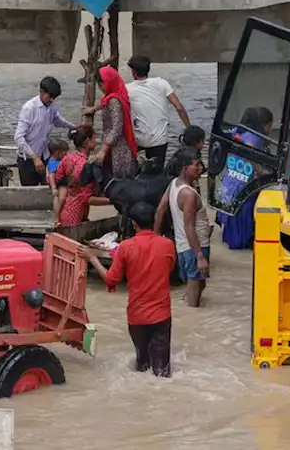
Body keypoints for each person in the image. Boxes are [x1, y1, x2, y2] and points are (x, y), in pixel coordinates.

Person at [85, 202, 176, 378]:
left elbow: (112, 279)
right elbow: (169, 269)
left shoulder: (125, 247)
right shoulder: (167, 244)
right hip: (161, 315)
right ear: (154, 220)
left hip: (137, 316)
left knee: (142, 366)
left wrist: (92, 258)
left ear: (134, 224)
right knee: (162, 372)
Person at [156, 148, 212, 306]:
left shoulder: (174, 184)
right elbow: (189, 227)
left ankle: (186, 303)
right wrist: (200, 256)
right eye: (196, 165)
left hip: (183, 247)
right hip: (194, 247)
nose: (201, 167)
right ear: (184, 168)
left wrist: (155, 237)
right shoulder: (189, 195)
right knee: (196, 290)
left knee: (199, 284)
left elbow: (160, 210)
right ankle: (192, 320)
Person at [125, 56, 190, 174]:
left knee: (133, 170)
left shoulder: (127, 89)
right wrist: (189, 128)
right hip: (159, 139)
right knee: (156, 174)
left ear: (133, 72)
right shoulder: (162, 83)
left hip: (139, 139)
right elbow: (179, 107)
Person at [219, 106, 273, 249]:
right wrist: (268, 173)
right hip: (243, 186)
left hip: (230, 179)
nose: (269, 129)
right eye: (269, 125)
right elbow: (254, 164)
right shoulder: (254, 140)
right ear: (263, 125)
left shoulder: (238, 131)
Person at [13, 76, 75, 187]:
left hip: (45, 156)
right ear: (41, 92)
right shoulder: (29, 108)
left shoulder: (51, 107)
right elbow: (18, 137)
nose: (51, 100)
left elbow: (57, 120)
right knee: (30, 194)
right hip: (27, 159)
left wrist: (73, 127)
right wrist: (34, 157)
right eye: (49, 96)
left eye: (54, 98)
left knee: (48, 188)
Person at [52, 125, 109, 228]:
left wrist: (70, 190)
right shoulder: (85, 166)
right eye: (94, 138)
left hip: (66, 211)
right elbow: (86, 199)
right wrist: (113, 201)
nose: (96, 142)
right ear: (87, 141)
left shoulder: (67, 158)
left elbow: (58, 178)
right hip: (76, 216)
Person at [90, 66, 138, 178]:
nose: (100, 88)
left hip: (118, 147)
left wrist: (103, 149)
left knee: (118, 181)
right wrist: (93, 109)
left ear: (109, 82)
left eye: (101, 85)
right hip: (114, 144)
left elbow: (117, 127)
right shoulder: (116, 96)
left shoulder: (113, 101)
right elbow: (103, 104)